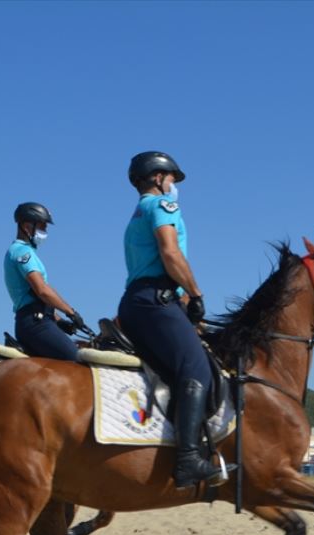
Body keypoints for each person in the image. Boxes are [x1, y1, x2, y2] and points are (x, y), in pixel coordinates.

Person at [117, 151, 226, 488]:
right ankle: (188, 460)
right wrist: (196, 293)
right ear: (157, 178)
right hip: (155, 302)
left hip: (138, 302)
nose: (174, 185)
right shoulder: (163, 207)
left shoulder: (136, 214)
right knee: (197, 368)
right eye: (172, 179)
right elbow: (170, 253)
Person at [4, 202, 86, 361]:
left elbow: (36, 297)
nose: (45, 232)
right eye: (42, 227)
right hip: (35, 324)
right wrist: (71, 312)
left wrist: (60, 321)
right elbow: (42, 290)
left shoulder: (23, 251)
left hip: (38, 320)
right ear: (27, 226)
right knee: (79, 361)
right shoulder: (22, 252)